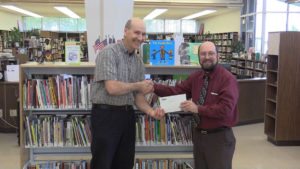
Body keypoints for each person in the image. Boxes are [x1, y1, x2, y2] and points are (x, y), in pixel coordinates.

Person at [90, 18, 164, 169]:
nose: (140, 38)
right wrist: (139, 85)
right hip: (106, 117)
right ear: (125, 31)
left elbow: (138, 96)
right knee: (102, 163)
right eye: (137, 32)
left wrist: (151, 111)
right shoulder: (108, 53)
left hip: (127, 116)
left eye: (143, 34)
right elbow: (111, 88)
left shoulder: (138, 62)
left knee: (125, 163)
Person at [153, 41, 239, 169]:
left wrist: (197, 109)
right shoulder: (196, 77)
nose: (207, 57)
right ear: (198, 57)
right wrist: (154, 87)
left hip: (219, 138)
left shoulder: (228, 79)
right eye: (203, 54)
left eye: (211, 53)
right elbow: (176, 91)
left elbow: (226, 109)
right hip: (199, 137)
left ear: (218, 55)